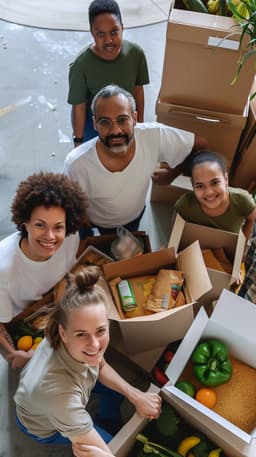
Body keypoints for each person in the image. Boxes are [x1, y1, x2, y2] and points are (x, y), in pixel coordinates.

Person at [14, 266, 161, 457]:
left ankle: (108, 423)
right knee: (112, 445)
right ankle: (105, 431)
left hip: (65, 390)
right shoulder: (59, 397)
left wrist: (136, 395)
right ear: (63, 333)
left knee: (115, 394)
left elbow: (100, 365)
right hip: (45, 424)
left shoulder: (69, 336)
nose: (94, 345)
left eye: (100, 331)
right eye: (81, 334)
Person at [64, 84, 208, 236]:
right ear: (95, 124)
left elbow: (200, 144)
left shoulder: (154, 135)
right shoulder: (77, 163)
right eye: (105, 122)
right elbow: (69, 201)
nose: (115, 131)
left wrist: (171, 175)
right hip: (94, 221)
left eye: (122, 120)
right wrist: (81, 218)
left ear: (134, 118)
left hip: (134, 217)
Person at [0, 172, 88, 369]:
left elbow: (65, 274)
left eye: (58, 227)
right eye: (40, 225)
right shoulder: (3, 269)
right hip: (21, 318)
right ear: (25, 222)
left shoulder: (70, 239)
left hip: (53, 306)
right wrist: (13, 353)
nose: (50, 236)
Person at [68, 0, 149, 145]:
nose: (109, 40)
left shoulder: (136, 54)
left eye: (114, 32)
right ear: (92, 32)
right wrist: (78, 142)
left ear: (122, 28)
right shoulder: (80, 66)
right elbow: (78, 107)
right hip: (95, 121)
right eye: (100, 34)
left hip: (125, 115)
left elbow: (137, 91)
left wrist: (140, 125)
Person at [174, 150, 256, 243]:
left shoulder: (243, 200)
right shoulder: (185, 205)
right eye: (200, 186)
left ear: (226, 179)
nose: (209, 192)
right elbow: (176, 231)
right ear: (193, 187)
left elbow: (251, 218)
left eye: (215, 182)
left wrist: (242, 246)